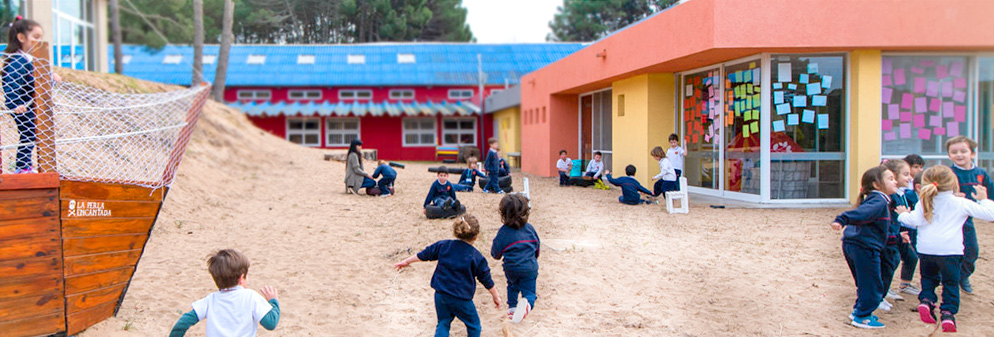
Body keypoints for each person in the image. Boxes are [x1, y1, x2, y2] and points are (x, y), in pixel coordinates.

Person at [896, 165, 994, 333]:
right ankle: (948, 314)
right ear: (953, 183)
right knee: (950, 283)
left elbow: (912, 221)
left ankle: (926, 300)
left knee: (928, 278)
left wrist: (902, 214)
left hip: (926, 249)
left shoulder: (924, 202)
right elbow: (989, 214)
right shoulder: (960, 203)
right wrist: (984, 198)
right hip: (950, 251)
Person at [395, 215, 501, 337]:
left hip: (441, 295)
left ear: (456, 232)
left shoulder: (443, 246)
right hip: (462, 299)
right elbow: (486, 279)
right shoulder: (476, 257)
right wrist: (496, 296)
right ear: (476, 236)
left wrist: (407, 261)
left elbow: (424, 254)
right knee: (474, 325)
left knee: (443, 322)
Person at [831, 166, 897, 329]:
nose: (895, 181)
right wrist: (843, 219)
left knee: (865, 282)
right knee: (872, 284)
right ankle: (862, 317)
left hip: (854, 244)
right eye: (890, 179)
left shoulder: (877, 199)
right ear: (876, 184)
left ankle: (858, 311)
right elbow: (863, 214)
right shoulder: (879, 200)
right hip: (864, 247)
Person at [169, 249, 280, 337]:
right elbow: (270, 323)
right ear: (242, 278)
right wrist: (273, 301)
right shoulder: (251, 297)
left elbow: (183, 323)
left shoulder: (210, 300)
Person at [2, 17, 60, 174]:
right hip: (22, 106)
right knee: (28, 132)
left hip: (32, 105)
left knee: (32, 133)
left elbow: (39, 82)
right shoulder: (18, 61)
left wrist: (51, 76)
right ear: (21, 38)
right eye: (35, 37)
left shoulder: (31, 60)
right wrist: (15, 104)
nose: (38, 42)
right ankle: (22, 167)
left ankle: (25, 165)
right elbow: (11, 84)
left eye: (40, 38)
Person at [945, 136, 993, 294]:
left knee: (971, 249)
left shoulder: (980, 173)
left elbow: (989, 192)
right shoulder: (947, 173)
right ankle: (947, 278)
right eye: (954, 152)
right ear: (949, 155)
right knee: (948, 250)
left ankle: (963, 276)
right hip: (949, 217)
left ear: (972, 154)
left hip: (967, 218)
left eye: (963, 151)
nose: (959, 155)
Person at [490, 194, 540, 323]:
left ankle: (512, 308)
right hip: (529, 266)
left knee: (512, 285)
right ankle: (527, 305)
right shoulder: (530, 229)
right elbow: (537, 248)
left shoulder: (503, 232)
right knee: (529, 293)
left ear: (503, 213)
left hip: (511, 267)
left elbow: (495, 254)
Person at [880, 159, 913, 308]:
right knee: (888, 263)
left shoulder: (900, 193)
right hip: (887, 237)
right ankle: (879, 294)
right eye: (905, 174)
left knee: (896, 261)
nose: (910, 178)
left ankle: (883, 292)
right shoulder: (890, 196)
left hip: (896, 235)